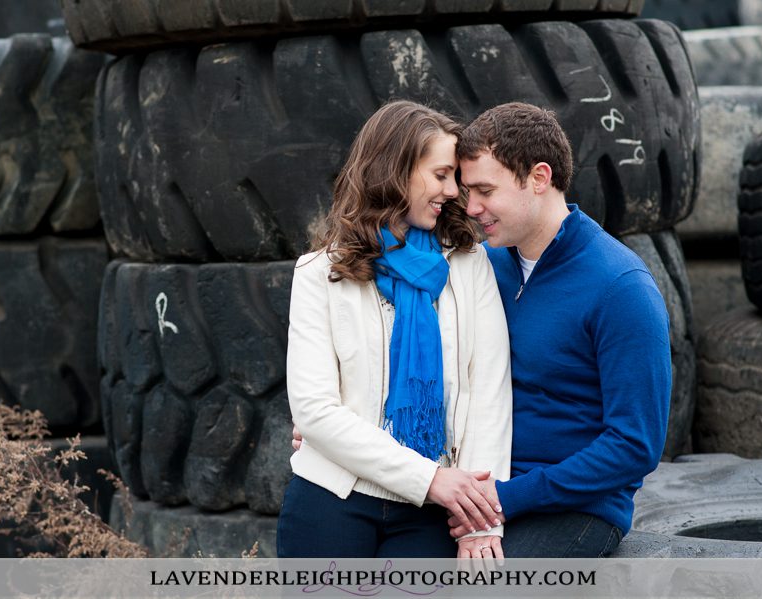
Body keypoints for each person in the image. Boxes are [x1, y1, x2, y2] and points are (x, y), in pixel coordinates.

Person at [277, 100, 513, 559]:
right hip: (332, 499)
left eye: (455, 180)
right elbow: (315, 411)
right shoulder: (318, 274)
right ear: (395, 170)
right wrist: (428, 477)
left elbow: (489, 394)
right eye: (440, 175)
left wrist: (476, 524)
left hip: (430, 511)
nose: (452, 192)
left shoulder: (469, 264)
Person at [450, 102, 672, 557]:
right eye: (465, 191)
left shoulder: (621, 287)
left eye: (484, 190)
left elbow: (635, 445)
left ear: (539, 178)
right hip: (475, 489)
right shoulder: (485, 267)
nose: (471, 208)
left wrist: (507, 499)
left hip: (574, 508)